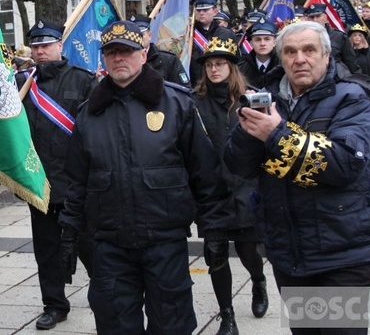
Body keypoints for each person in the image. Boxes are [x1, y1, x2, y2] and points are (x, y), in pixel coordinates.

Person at [58, 20, 228, 334]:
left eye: (127, 51)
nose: (118, 58)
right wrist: (69, 233)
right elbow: (76, 181)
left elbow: (205, 175)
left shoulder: (177, 104)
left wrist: (214, 229)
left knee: (171, 324)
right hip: (110, 244)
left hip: (165, 241)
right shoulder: (88, 114)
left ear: (144, 52)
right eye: (111, 53)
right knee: (115, 324)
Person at [224, 21, 370, 334]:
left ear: (327, 56)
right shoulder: (270, 101)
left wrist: (275, 134)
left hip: (345, 251)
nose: (300, 58)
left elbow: (343, 165)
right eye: (290, 52)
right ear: (281, 58)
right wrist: (248, 130)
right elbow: (237, 166)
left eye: (309, 50)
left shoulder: (351, 99)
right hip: (291, 251)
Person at [14, 20, 96, 330]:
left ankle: (105, 290)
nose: (40, 50)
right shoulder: (21, 84)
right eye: (35, 46)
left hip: (76, 182)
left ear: (60, 46)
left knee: (89, 244)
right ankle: (54, 304)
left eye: (46, 44)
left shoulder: (84, 82)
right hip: (40, 182)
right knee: (46, 248)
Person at [193, 37, 268, 335]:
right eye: (209, 65)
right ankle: (227, 315)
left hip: (246, 189)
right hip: (211, 193)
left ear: (232, 67)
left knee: (249, 252)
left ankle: (258, 281)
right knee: (216, 256)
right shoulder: (193, 102)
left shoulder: (251, 99)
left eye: (220, 64)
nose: (214, 70)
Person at [128, 14, 190, 87]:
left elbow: (184, 91)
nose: (137, 39)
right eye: (132, 35)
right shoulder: (123, 60)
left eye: (140, 35)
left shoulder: (169, 60)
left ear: (150, 35)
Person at [190, 0, 236, 85]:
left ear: (215, 11)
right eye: (198, 10)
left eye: (206, 10)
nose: (201, 13)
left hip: (221, 85)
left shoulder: (226, 34)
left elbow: (234, 61)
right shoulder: (188, 34)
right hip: (194, 83)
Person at [304, 3, 361, 73]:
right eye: (312, 17)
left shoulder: (339, 36)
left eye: (318, 16)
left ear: (325, 17)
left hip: (336, 79)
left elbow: (352, 64)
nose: (315, 20)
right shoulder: (301, 38)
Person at [237, 19, 280, 89]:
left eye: (267, 39)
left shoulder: (282, 66)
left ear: (274, 42)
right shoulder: (241, 68)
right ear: (251, 43)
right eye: (258, 39)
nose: (262, 44)